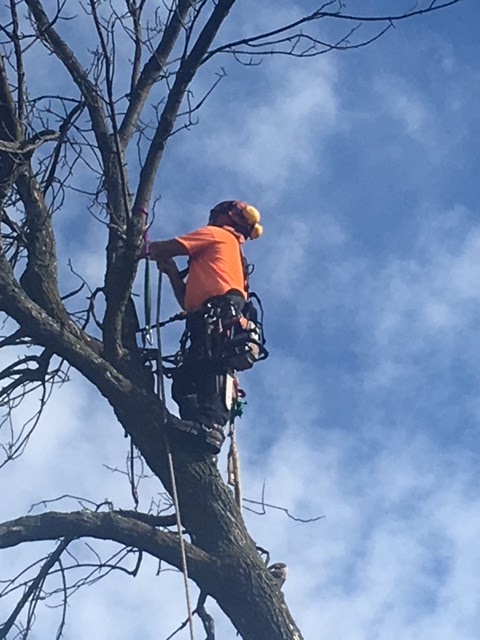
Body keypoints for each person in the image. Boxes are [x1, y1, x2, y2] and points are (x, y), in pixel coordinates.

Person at [144, 200, 263, 454]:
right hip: (205, 316)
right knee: (187, 377)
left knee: (212, 367)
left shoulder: (217, 235)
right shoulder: (228, 253)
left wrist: (142, 246)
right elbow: (188, 302)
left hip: (220, 313)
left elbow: (168, 247)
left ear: (226, 217)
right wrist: (173, 274)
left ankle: (210, 426)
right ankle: (194, 425)